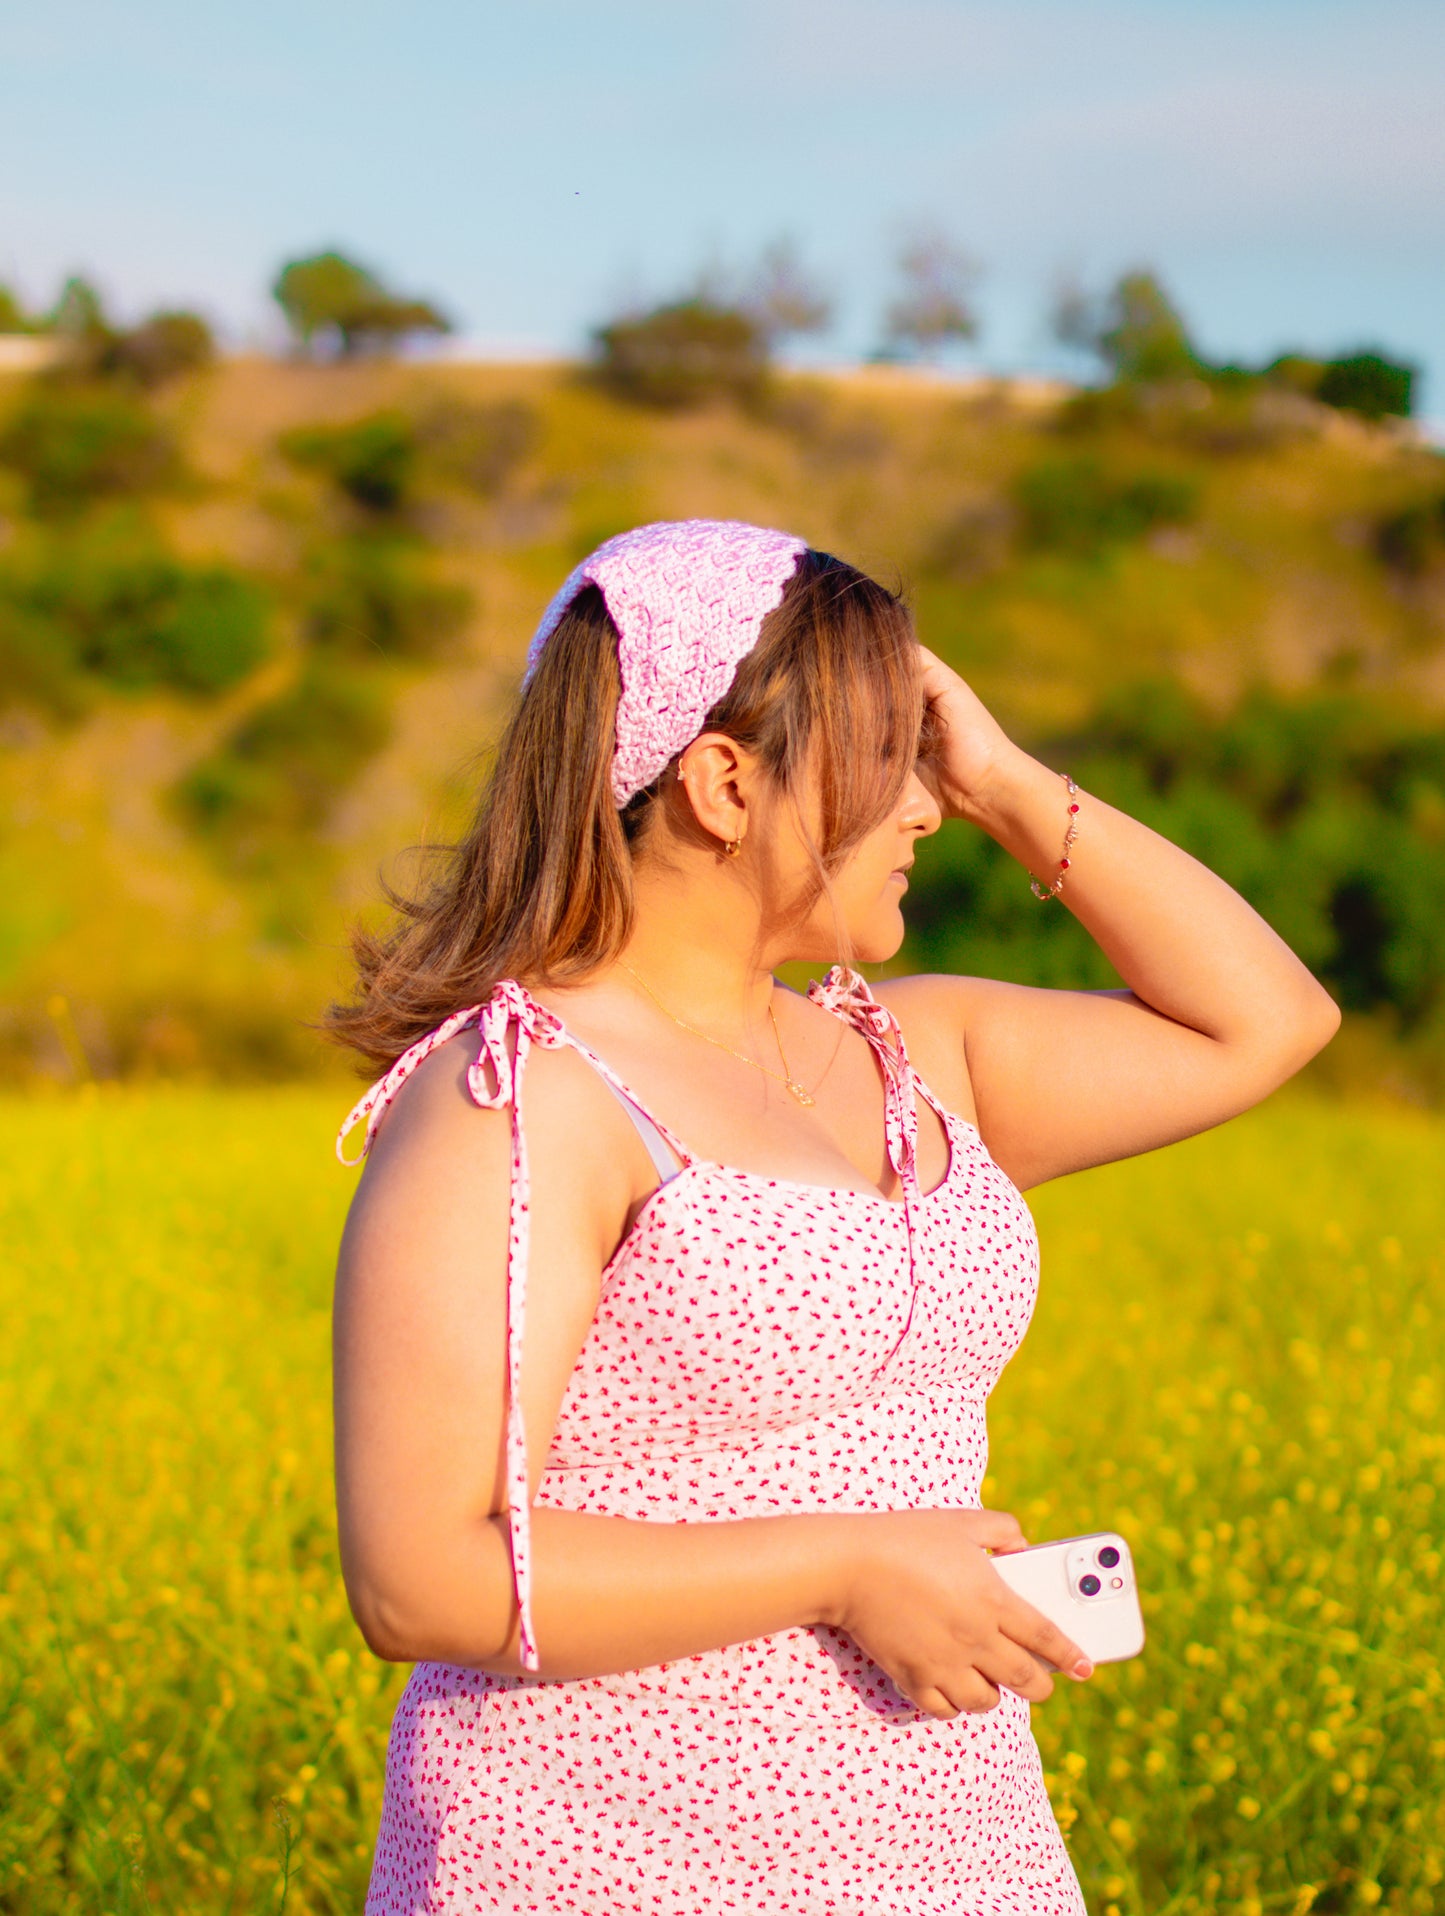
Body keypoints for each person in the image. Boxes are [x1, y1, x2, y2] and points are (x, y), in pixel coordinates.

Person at [329, 519, 1339, 1914]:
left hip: (946, 1846)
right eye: (888, 762)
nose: (921, 808)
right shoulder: (523, 1092)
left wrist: (996, 776)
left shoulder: (910, 1056)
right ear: (724, 785)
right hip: (606, 1857)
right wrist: (846, 1567)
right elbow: (417, 1579)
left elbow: (1266, 1021)